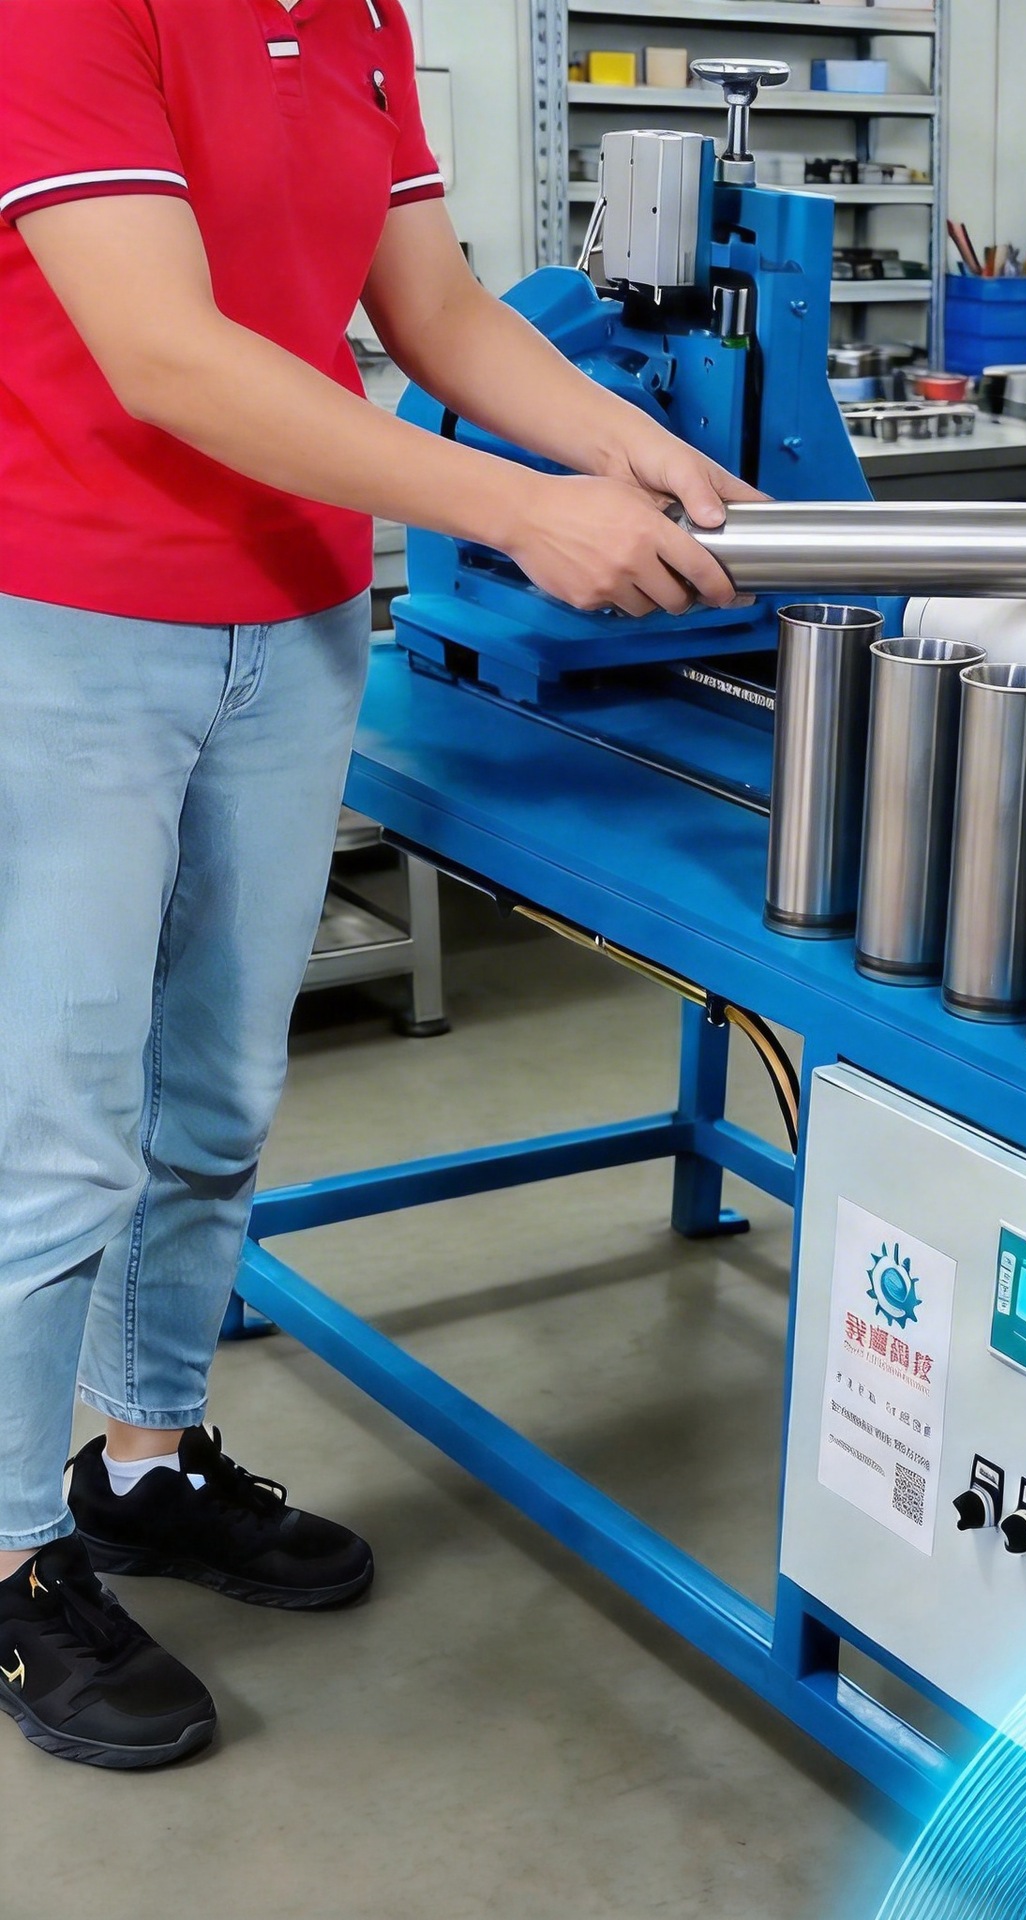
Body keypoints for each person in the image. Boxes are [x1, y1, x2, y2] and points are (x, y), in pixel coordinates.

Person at [0, 0, 759, 1771]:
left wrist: (615, 445)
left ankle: (143, 1460)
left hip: (299, 619)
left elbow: (439, 310)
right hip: (73, 620)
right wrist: (513, 508)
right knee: (57, 1134)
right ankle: (14, 1554)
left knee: (217, 1097)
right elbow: (164, 354)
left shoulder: (356, 14)